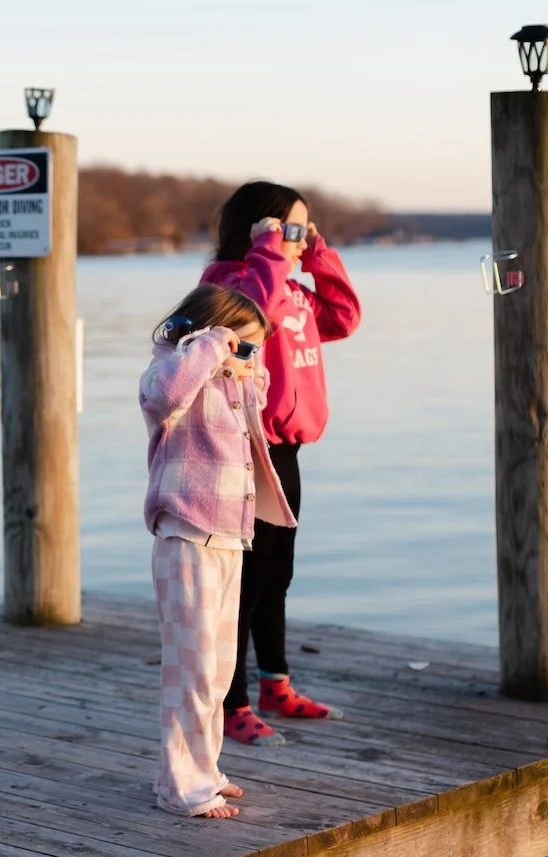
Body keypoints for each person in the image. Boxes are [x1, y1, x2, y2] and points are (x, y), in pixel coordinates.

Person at [200, 181, 362, 746]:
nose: (300, 240)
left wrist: (318, 255)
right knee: (245, 582)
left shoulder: (293, 290)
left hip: (288, 453)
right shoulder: (227, 286)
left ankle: (276, 684)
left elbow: (343, 317)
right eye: (293, 229)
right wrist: (270, 252)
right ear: (260, 230)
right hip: (247, 453)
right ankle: (231, 701)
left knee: (276, 578)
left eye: (305, 230)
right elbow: (248, 317)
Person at [139, 284, 295, 818]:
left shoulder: (227, 381)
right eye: (242, 345)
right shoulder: (170, 373)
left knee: (219, 667)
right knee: (192, 668)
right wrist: (208, 348)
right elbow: (164, 397)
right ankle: (182, 787)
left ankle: (201, 770)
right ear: (211, 336)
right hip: (186, 535)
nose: (247, 358)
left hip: (231, 537)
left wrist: (245, 366)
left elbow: (262, 407)